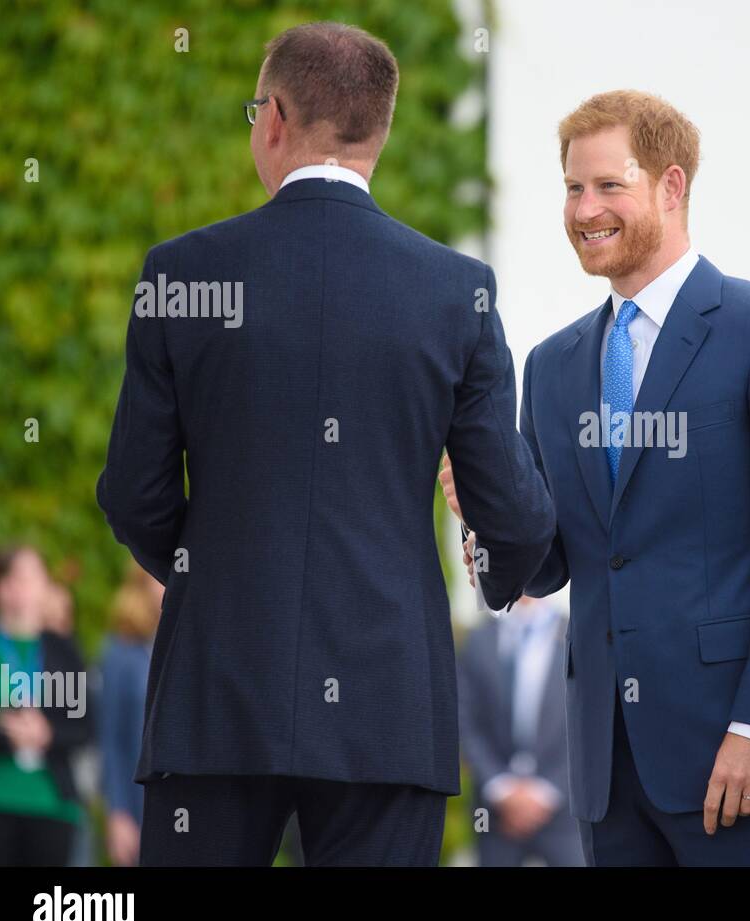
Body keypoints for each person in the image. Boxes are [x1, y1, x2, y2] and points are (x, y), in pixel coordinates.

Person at [96, 21, 554, 866]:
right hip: (387, 704)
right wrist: (500, 574)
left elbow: (133, 493)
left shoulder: (182, 273)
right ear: (378, 133)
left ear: (272, 118)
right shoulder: (458, 293)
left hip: (215, 697)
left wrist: (215, 574)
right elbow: (516, 517)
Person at [445, 90, 750, 866]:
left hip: (735, 760)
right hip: (602, 772)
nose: (583, 209)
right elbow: (548, 562)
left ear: (671, 186)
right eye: (571, 187)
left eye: (606, 185)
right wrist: (485, 514)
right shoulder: (554, 364)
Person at [0, 546, 93, 866]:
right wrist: (7, 737)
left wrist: (47, 734)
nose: (22, 589)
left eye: (32, 578)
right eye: (14, 578)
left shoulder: (62, 650)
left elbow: (84, 727)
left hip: (51, 802)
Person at [456, 597, 583, 866]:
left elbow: (590, 723)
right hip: (494, 812)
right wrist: (502, 788)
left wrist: (545, 791)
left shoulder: (580, 634)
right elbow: (464, 720)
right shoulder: (477, 640)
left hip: (566, 808)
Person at [98, 559, 164, 866]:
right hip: (137, 802)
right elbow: (109, 737)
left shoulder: (195, 647)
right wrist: (118, 812)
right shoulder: (121, 653)